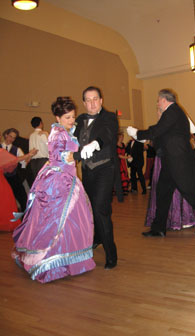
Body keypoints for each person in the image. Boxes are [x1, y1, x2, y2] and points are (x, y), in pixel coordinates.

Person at [12, 97, 95, 283]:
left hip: (64, 177)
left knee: (68, 221)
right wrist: (80, 152)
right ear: (57, 118)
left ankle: (68, 260)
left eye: (73, 116)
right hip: (61, 181)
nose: (71, 120)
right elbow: (62, 157)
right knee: (59, 222)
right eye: (67, 117)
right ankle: (53, 261)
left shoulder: (62, 131)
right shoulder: (58, 134)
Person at [127, 88, 195, 236]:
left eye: (158, 100)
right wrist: (143, 137)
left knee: (189, 194)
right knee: (162, 194)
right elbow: (162, 136)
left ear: (164, 100)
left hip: (179, 163)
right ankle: (158, 229)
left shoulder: (172, 112)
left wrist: (137, 134)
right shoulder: (173, 113)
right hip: (171, 162)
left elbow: (157, 130)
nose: (157, 103)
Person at [73, 86, 122, 270]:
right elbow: (72, 139)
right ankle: (98, 238)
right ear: (84, 103)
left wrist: (95, 144)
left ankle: (111, 254)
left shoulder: (109, 117)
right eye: (88, 99)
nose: (92, 103)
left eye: (95, 99)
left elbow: (107, 134)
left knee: (101, 209)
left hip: (104, 169)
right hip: (87, 171)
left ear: (101, 100)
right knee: (91, 208)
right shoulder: (79, 120)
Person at [1, 128, 32, 212]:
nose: (11, 139)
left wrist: (26, 160)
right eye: (10, 136)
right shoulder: (0, 148)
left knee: (23, 198)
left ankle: (24, 218)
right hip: (2, 178)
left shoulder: (17, 149)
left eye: (13, 138)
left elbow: (23, 164)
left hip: (13, 177)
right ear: (6, 135)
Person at [29, 116, 49, 185]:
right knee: (45, 183)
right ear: (41, 123)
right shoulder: (43, 133)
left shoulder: (31, 135)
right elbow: (49, 146)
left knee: (37, 183)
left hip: (33, 162)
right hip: (43, 161)